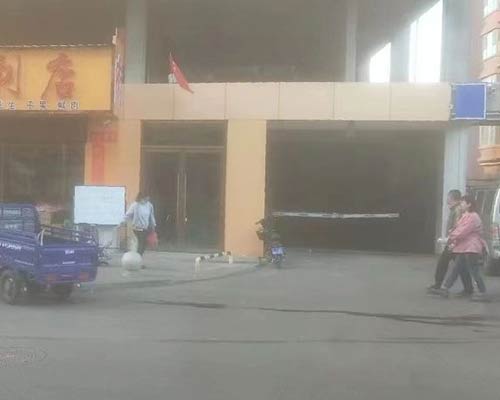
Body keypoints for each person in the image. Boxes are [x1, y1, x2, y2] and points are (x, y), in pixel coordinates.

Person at [436, 195, 488, 302]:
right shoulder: (466, 216)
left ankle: (482, 292)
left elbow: (463, 231)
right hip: (464, 247)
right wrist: (452, 237)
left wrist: (450, 238)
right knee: (456, 269)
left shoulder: (472, 217)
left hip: (471, 248)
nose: (461, 205)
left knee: (473, 270)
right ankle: (445, 288)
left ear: (469, 204)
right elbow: (458, 229)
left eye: (463, 203)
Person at [427, 190, 473, 296]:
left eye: (448, 197)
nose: (447, 199)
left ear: (452, 198)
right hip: (454, 242)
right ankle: (468, 288)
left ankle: (439, 285)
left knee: (444, 263)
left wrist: (450, 240)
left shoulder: (457, 210)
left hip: (454, 242)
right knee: (460, 266)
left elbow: (457, 226)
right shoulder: (455, 209)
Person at [125, 192, 157, 264]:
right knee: (141, 244)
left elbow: (151, 216)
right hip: (137, 228)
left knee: (143, 245)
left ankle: (137, 260)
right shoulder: (135, 205)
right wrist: (128, 222)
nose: (147, 199)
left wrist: (153, 225)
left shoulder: (149, 205)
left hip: (145, 228)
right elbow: (128, 215)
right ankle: (137, 262)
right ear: (141, 197)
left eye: (148, 198)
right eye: (146, 197)